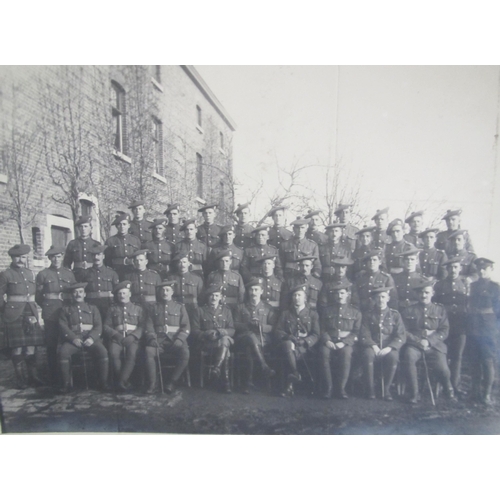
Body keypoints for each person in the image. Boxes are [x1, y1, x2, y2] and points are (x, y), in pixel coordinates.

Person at [400, 279, 455, 404]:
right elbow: (403, 331)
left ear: (432, 293)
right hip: (414, 345)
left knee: (443, 368)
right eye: (420, 293)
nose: (423, 295)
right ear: (417, 294)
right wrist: (417, 340)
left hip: (435, 345)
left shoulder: (439, 309)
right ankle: (414, 393)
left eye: (426, 292)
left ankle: (448, 389)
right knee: (408, 357)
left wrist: (429, 341)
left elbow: (444, 330)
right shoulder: (408, 310)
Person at [0, 244, 45, 389]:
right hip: (13, 314)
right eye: (18, 257)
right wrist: (4, 312)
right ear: (12, 258)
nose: (21, 260)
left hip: (30, 312)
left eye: (24, 257)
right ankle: (20, 379)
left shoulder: (30, 273)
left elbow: (35, 294)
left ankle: (33, 377)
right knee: (17, 348)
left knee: (31, 347)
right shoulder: (6, 274)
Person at [58, 282, 109, 393]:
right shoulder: (65, 309)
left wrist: (91, 338)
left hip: (90, 339)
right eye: (75, 292)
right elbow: (63, 327)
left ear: (85, 294)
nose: (78, 294)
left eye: (80, 292)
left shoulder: (93, 308)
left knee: (103, 351)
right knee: (63, 352)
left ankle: (103, 383)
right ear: (72, 295)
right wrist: (73, 339)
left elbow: (98, 326)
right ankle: (66, 384)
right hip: (74, 340)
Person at [35, 246, 76, 385]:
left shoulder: (69, 274)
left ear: (62, 257)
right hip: (51, 313)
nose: (56, 259)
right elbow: (38, 297)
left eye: (59, 256)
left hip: (67, 312)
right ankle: (53, 375)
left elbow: (74, 293)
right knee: (51, 344)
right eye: (53, 257)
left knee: (68, 342)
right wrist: (48, 306)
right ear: (49, 259)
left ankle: (69, 374)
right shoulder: (43, 274)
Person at [144, 280, 191, 394]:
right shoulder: (153, 307)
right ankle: (153, 383)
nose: (165, 292)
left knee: (185, 352)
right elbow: (149, 326)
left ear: (172, 292)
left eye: (167, 290)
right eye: (162, 290)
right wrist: (151, 338)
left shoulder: (179, 307)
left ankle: (172, 382)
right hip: (158, 341)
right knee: (148, 351)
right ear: (159, 292)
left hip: (175, 340)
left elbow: (186, 326)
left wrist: (180, 339)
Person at [359, 287, 406, 400]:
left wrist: (390, 348)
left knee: (394, 356)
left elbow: (401, 335)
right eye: (378, 297)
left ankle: (386, 389)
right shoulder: (368, 314)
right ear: (374, 299)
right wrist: (374, 346)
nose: (381, 300)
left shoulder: (395, 315)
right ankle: (370, 389)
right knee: (368, 355)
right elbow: (364, 334)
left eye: (383, 297)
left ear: (388, 298)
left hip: (388, 347)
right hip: (372, 345)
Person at [274, 284, 320, 397]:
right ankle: (295, 374)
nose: (296, 298)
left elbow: (316, 334)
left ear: (305, 298)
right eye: (294, 295)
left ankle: (290, 385)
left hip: (304, 346)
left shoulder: (312, 314)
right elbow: (278, 331)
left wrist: (305, 342)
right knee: (288, 346)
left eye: (299, 295)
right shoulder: (285, 313)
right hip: (286, 345)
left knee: (292, 352)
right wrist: (289, 337)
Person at [233, 277, 277, 393]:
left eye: (256, 290)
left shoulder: (268, 308)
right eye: (251, 290)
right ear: (248, 291)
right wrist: (248, 325)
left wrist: (260, 326)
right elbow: (235, 324)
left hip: (262, 339)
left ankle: (248, 382)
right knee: (250, 337)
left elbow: (273, 327)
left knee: (250, 348)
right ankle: (264, 366)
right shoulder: (240, 307)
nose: (254, 293)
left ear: (261, 291)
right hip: (243, 338)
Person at [319, 281, 361, 399]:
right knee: (323, 352)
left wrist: (344, 342)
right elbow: (322, 329)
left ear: (348, 294)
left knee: (346, 354)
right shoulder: (327, 310)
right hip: (330, 341)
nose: (340, 296)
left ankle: (341, 389)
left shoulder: (355, 312)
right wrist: (327, 341)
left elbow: (356, 332)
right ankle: (329, 388)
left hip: (346, 343)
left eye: (342, 293)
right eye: (337, 294)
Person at [433, 257, 468, 395]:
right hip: (444, 325)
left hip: (460, 325)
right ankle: (443, 383)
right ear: (447, 269)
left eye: (456, 267)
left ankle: (455, 385)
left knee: (457, 356)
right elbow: (435, 306)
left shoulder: (466, 284)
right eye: (450, 267)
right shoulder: (439, 285)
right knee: (441, 354)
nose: (453, 270)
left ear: (460, 268)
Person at [191, 285, 235, 393]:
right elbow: (194, 330)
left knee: (224, 340)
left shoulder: (226, 311)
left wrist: (222, 332)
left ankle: (217, 369)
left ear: (220, 297)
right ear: (207, 297)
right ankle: (226, 382)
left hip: (223, 341)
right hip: (207, 343)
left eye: (216, 296)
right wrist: (207, 333)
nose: (214, 298)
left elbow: (232, 330)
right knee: (225, 349)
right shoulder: (199, 311)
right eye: (211, 295)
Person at [468, 258, 500, 405]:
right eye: (480, 269)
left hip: (488, 329)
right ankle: (474, 392)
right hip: (474, 327)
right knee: (474, 361)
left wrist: (495, 329)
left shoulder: (495, 287)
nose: (482, 271)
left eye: (485, 269)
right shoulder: (473, 286)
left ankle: (486, 394)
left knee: (487, 361)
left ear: (491, 269)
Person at [103, 281, 144, 391]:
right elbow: (106, 326)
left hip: (132, 339)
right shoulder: (112, 309)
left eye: (124, 293)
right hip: (117, 338)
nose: (122, 296)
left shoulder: (138, 309)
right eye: (120, 294)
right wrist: (116, 335)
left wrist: (134, 336)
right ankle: (124, 381)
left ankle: (121, 381)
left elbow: (142, 326)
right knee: (113, 353)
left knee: (132, 354)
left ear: (129, 294)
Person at [83, 245, 119, 322]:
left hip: (108, 306)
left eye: (99, 254)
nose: (96, 257)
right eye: (94, 255)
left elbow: (117, 292)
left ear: (103, 256)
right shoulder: (85, 273)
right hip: (91, 306)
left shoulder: (112, 273)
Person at [166, 252, 204, 321]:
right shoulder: (170, 279)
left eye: (184, 262)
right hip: (175, 309)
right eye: (180, 262)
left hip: (192, 309)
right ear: (177, 264)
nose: (182, 265)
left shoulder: (197, 278)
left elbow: (201, 298)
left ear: (189, 263)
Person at [63, 216, 101, 281]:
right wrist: (69, 275)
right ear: (79, 229)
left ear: (91, 228)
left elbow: (100, 262)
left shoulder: (96, 244)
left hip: (93, 274)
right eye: (81, 226)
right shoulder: (73, 243)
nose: (83, 229)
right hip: (77, 275)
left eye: (86, 226)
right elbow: (67, 263)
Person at [104, 213, 141, 280]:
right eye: (119, 224)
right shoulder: (110, 241)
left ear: (129, 225)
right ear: (116, 226)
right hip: (117, 272)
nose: (122, 226)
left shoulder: (135, 240)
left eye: (124, 224)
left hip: (132, 272)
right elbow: (107, 260)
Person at [392, 249, 423, 314]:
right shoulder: (395, 278)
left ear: (416, 261)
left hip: (416, 312)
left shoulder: (421, 280)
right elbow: (393, 298)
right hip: (399, 310)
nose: (409, 262)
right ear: (403, 261)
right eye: (407, 259)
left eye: (412, 259)